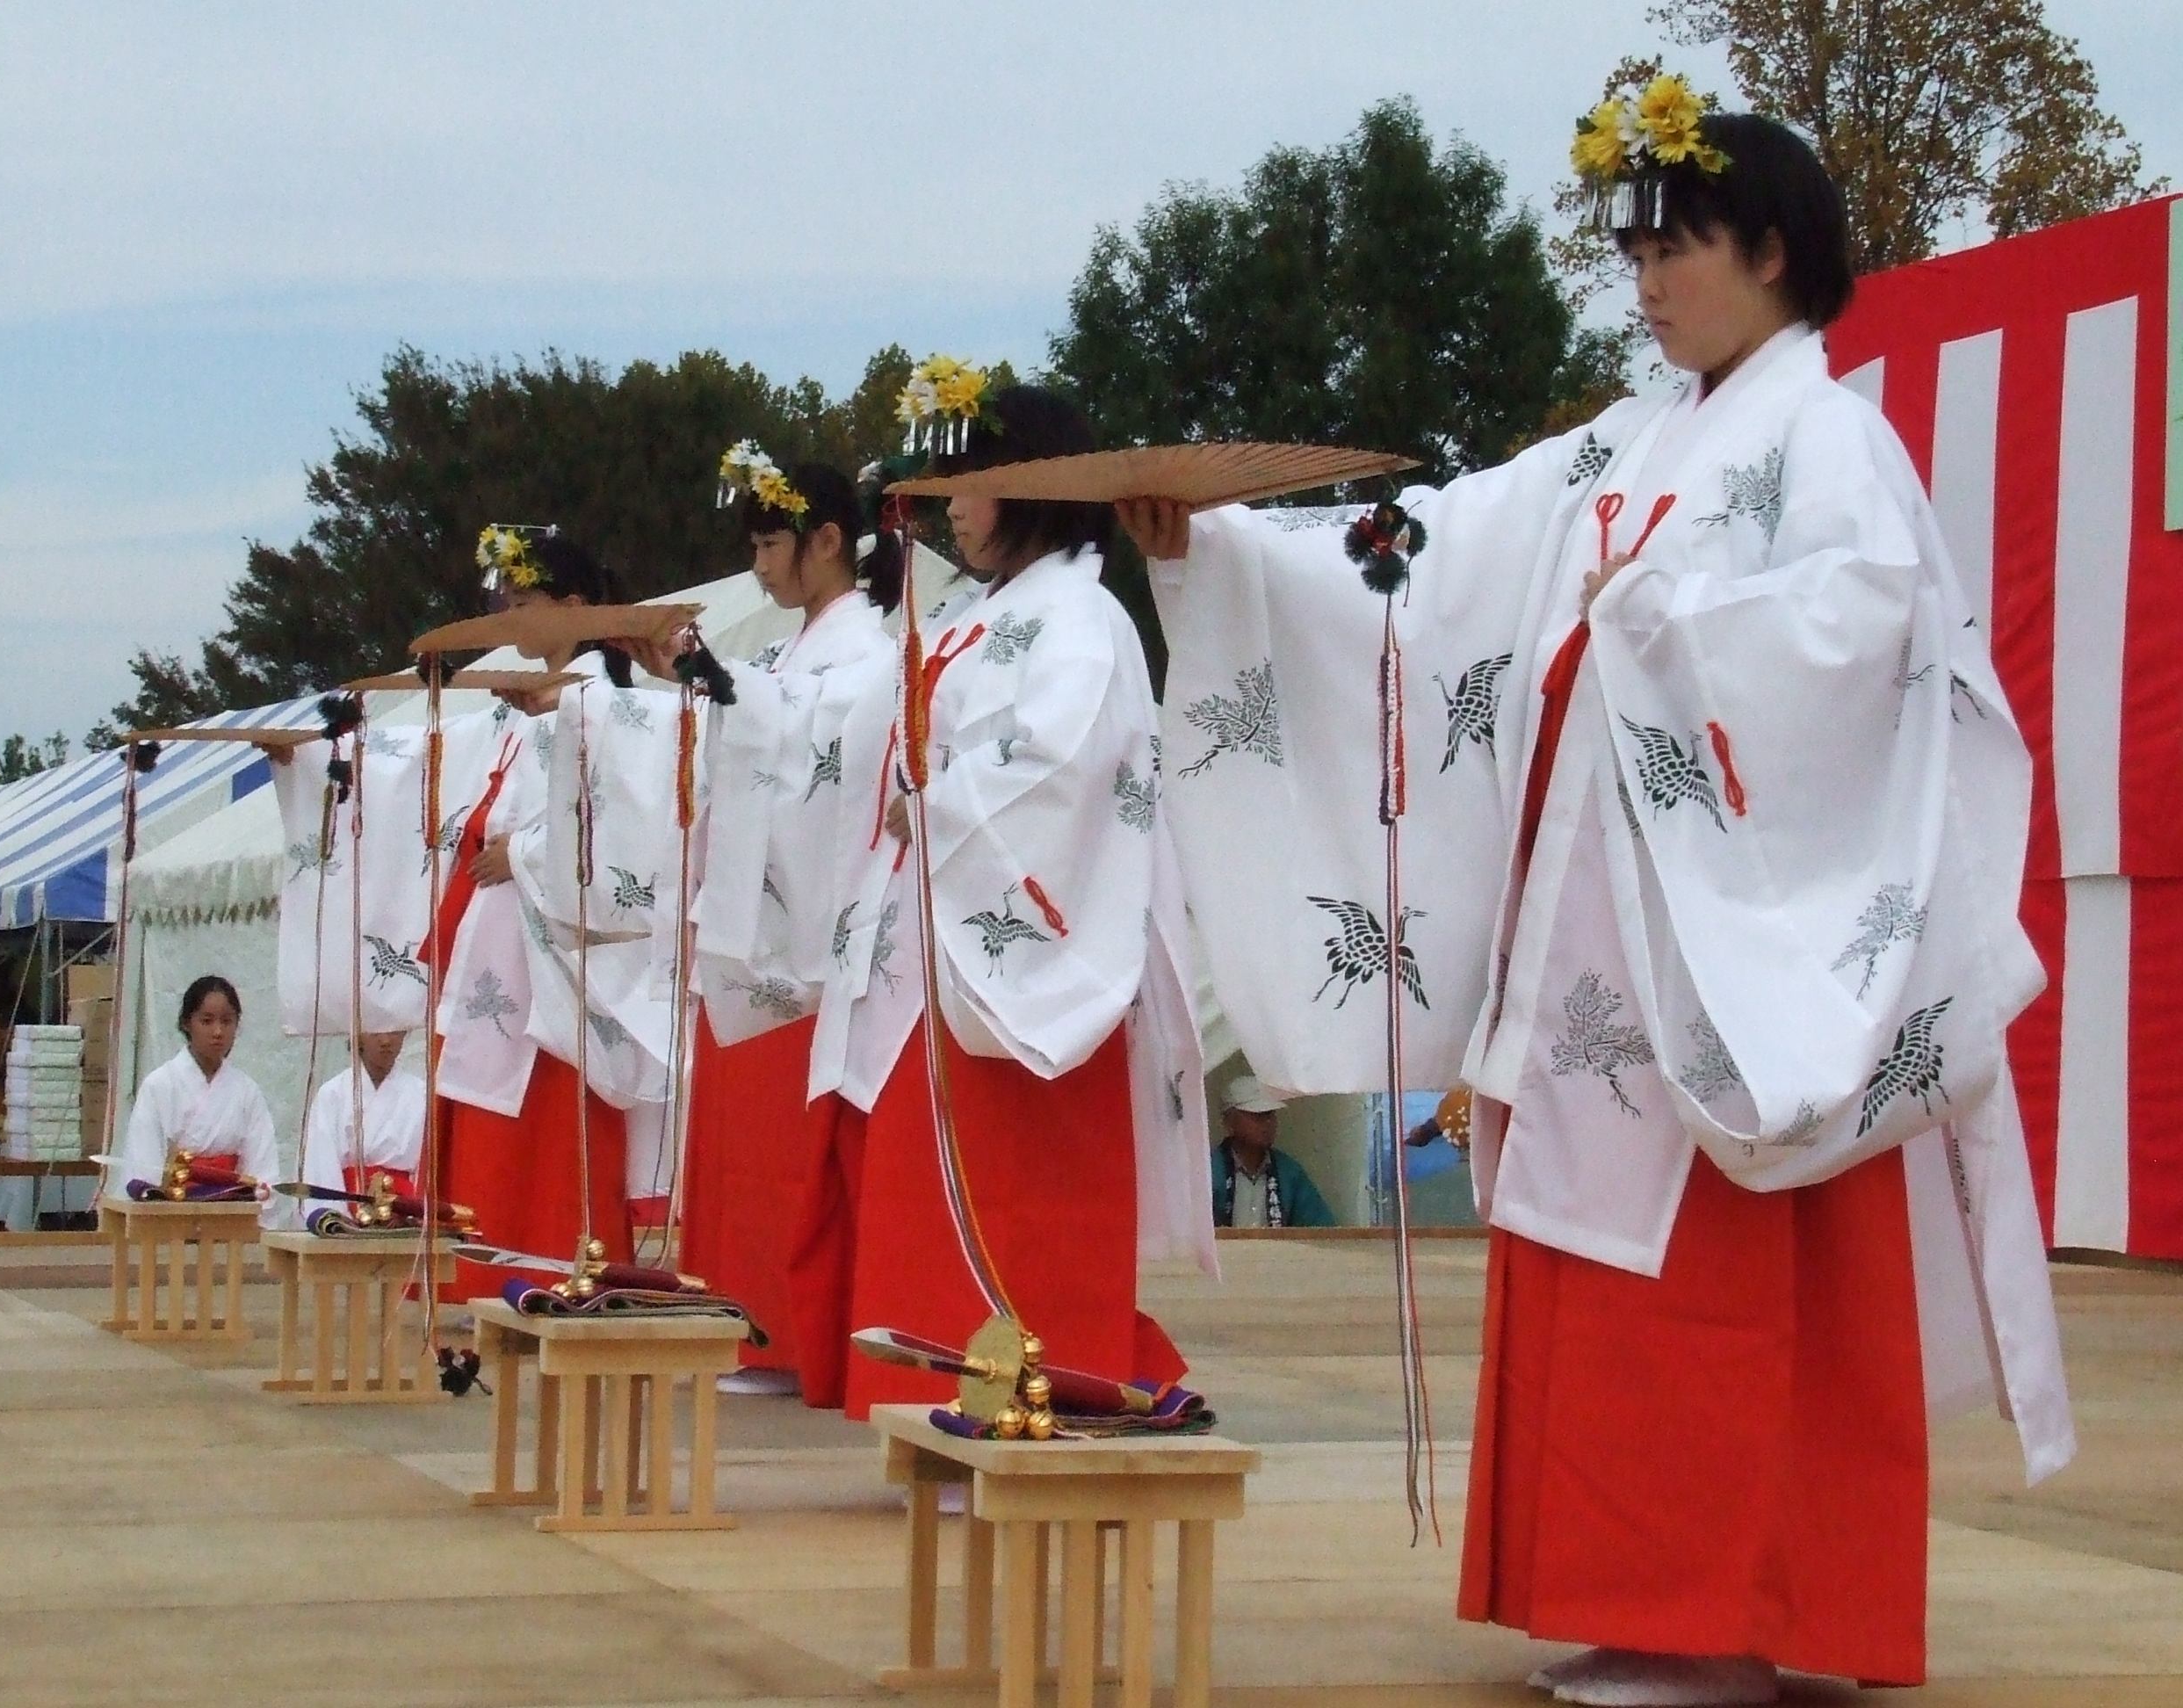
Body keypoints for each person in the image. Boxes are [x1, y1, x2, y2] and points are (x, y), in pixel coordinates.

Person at [1125, 87, 2071, 1706]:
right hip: (1600, 949)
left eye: (1672, 247)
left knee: (1725, 1285)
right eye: (1630, 251)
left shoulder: (1829, 438)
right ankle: (1640, 1596)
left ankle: (1726, 1611)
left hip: (1725, 956)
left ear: (1772, 250)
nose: (1642, 283)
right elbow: (1445, 543)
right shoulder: (1632, 439)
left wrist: (1659, 639)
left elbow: (1863, 652)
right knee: (1600, 1264)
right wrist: (1220, 551)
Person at [799, 372, 1216, 1418]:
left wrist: (935, 804)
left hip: (1025, 952)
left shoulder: (1083, 616)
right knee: (933, 1185)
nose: (951, 505)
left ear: (1030, 488)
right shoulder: (987, 614)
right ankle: (960, 1398)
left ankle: (1038, 1384)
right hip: (941, 935)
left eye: (971, 483)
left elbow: (1064, 769)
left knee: (1016, 1195)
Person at [641, 450, 902, 1393]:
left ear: (828, 541)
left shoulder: (867, 655)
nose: (759, 563)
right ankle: (751, 1326)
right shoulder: (796, 656)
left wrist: (719, 682)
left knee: (794, 1161)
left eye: (770, 542)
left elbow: (807, 735)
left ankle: (792, 1333)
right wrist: (710, 682)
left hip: (811, 938)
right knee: (745, 1151)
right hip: (762, 929)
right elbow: (770, 714)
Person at [430, 527, 639, 1296]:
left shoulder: (602, 700)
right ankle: (495, 1269)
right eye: (508, 600)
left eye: (527, 600)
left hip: (552, 940)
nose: (512, 616)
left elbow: (613, 817)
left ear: (574, 606)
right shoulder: (541, 699)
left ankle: (549, 1266)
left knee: (554, 1118)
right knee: (500, 1109)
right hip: (508, 933)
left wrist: (517, 851)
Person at [112, 975, 282, 1221]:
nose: (218, 1032)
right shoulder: (159, 1085)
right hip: (171, 1215)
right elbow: (144, 1166)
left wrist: (251, 1198)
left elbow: (263, 1172)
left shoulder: (247, 1091)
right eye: (206, 1021)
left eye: (227, 1021)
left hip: (230, 1214)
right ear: (187, 1023)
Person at [297, 1030, 422, 1201]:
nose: (385, 1040)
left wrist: (413, 1212)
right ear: (357, 1035)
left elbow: (428, 1171)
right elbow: (321, 1166)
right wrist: (334, 1217)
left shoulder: (422, 1094)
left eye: (393, 1031)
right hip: (345, 1204)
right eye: (375, 1032)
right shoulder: (333, 1093)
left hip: (405, 1208)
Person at [1210, 1075, 1334, 1228]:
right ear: (1229, 1123)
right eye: (1258, 1116)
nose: (1267, 1123)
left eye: (1270, 1115)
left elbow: (1321, 1229)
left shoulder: (1290, 1173)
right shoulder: (1207, 1173)